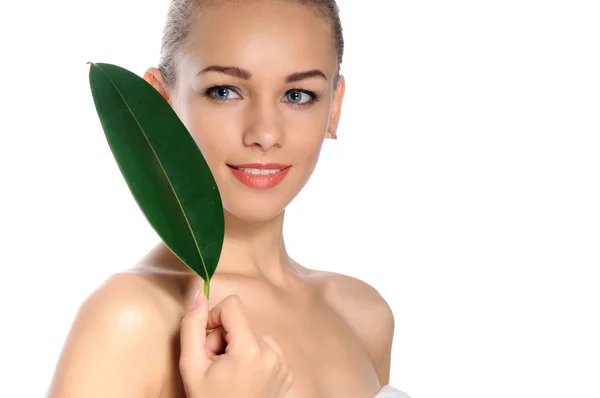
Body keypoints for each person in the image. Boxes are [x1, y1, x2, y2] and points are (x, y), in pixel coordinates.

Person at [48, 0, 408, 397]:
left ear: (334, 107)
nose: (265, 134)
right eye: (225, 90)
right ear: (158, 103)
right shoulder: (129, 318)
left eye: (299, 95)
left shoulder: (363, 315)